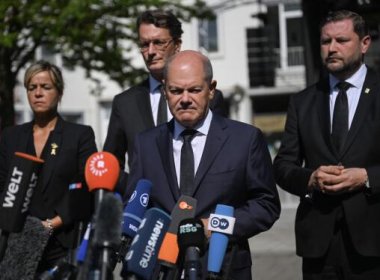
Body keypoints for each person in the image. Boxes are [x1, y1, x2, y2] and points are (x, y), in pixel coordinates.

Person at [125, 50, 280, 279]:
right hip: (162, 271)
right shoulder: (145, 143)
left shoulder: (244, 139)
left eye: (194, 90)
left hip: (223, 269)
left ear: (211, 89)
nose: (185, 99)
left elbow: (266, 205)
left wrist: (215, 225)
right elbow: (136, 205)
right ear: (165, 90)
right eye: (176, 90)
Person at [273, 10, 380, 279]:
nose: (332, 48)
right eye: (325, 41)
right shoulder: (302, 102)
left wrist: (367, 177)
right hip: (319, 246)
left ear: (364, 43)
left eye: (341, 40)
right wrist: (311, 179)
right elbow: (283, 165)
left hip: (374, 241)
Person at [103, 9, 227, 195]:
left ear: (177, 45)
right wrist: (138, 189)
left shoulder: (210, 97)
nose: (150, 52)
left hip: (197, 209)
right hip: (145, 215)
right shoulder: (125, 103)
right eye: (144, 44)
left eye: (159, 43)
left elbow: (220, 156)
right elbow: (110, 164)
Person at [0, 60, 97, 276]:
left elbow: (85, 188)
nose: (38, 93)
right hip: (15, 244)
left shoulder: (79, 135)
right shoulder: (11, 136)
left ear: (59, 93)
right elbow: (3, 187)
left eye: (46, 87)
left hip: (61, 244)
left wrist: (50, 225)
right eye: (32, 88)